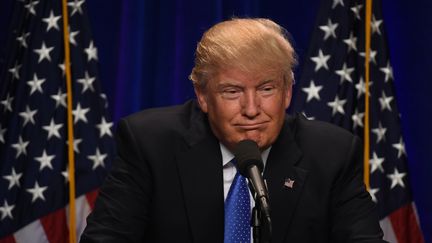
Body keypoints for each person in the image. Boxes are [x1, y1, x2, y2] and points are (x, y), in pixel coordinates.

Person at [80, 18, 385, 242]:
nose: (252, 109)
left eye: (267, 89)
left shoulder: (331, 154)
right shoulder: (150, 143)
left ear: (288, 92)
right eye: (232, 91)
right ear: (202, 95)